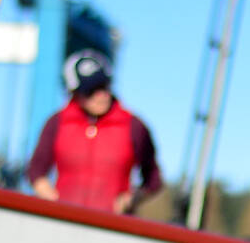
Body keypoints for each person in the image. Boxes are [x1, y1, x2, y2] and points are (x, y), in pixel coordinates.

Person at [26, 49, 162, 214]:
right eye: (91, 90)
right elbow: (36, 171)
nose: (101, 95)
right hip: (64, 221)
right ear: (74, 92)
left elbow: (153, 179)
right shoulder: (57, 123)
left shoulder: (134, 126)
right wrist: (53, 201)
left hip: (111, 225)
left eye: (104, 86)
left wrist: (129, 200)